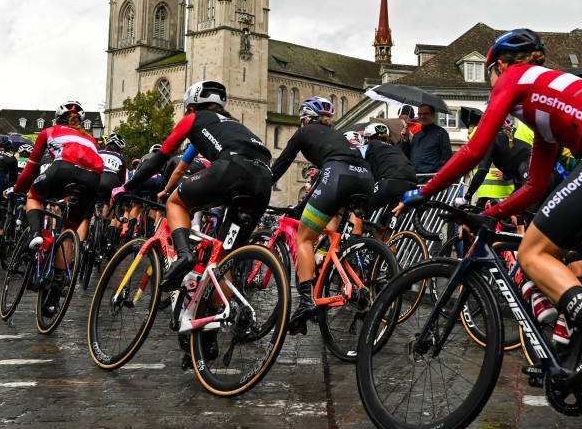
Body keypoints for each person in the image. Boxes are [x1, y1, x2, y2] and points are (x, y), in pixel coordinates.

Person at [400, 29, 582, 383]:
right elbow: (535, 184)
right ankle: (570, 347)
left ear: (499, 65)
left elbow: (474, 150)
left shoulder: (513, 77)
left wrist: (426, 191)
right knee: (557, 251)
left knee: (530, 254)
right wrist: (489, 214)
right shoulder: (546, 112)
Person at [124, 81, 272, 290]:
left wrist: (127, 186)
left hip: (232, 168)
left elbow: (159, 159)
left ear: (191, 108)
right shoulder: (236, 126)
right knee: (222, 259)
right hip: (264, 180)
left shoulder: (194, 119)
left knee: (175, 203)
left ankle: (184, 255)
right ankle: (214, 316)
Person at [270, 96, 373, 334]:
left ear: (305, 119)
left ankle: (307, 301)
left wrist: (264, 186)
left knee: (304, 238)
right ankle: (351, 277)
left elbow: (282, 164)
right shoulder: (338, 135)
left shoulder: (304, 133)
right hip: (365, 177)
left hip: (338, 175)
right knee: (335, 232)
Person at [14, 101, 104, 276]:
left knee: (33, 197)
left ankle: (35, 234)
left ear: (57, 119)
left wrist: (18, 188)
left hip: (63, 169)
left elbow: (30, 169)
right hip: (92, 179)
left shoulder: (48, 132)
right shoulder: (91, 139)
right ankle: (57, 284)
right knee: (67, 231)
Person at [361, 122, 418, 222]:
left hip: (390, 182)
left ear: (368, 138)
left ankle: (355, 236)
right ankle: (382, 234)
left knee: (359, 210)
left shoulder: (368, 145)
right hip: (412, 183)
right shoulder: (395, 147)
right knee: (382, 225)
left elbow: (358, 165)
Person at [404, 104, 452, 176]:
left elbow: (446, 159)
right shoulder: (416, 136)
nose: (422, 116)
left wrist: (435, 178)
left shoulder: (441, 133)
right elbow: (406, 158)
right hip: (414, 180)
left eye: (425, 114)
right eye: (420, 114)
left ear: (433, 115)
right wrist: (405, 141)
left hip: (429, 182)